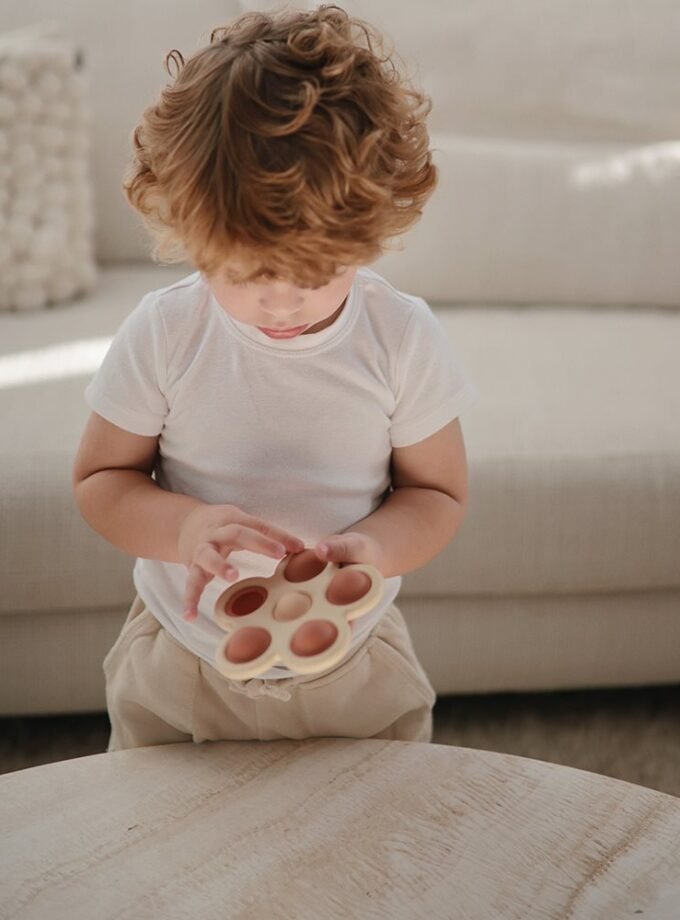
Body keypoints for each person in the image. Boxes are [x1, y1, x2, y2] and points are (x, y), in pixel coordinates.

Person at [72, 4, 478, 751]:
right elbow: (102, 479)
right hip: (182, 659)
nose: (282, 302)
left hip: (349, 659)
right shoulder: (168, 333)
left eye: (317, 274)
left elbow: (438, 493)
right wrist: (184, 525)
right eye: (247, 273)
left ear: (371, 234)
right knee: (157, 845)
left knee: (380, 839)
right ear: (192, 233)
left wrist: (379, 548)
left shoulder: (400, 338)